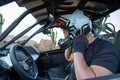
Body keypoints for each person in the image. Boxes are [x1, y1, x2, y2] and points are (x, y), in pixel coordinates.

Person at [58, 9, 120, 80]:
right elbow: (68, 57)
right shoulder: (82, 45)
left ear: (76, 29)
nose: (63, 33)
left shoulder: (107, 49)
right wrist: (70, 43)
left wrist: (78, 51)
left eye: (64, 30)